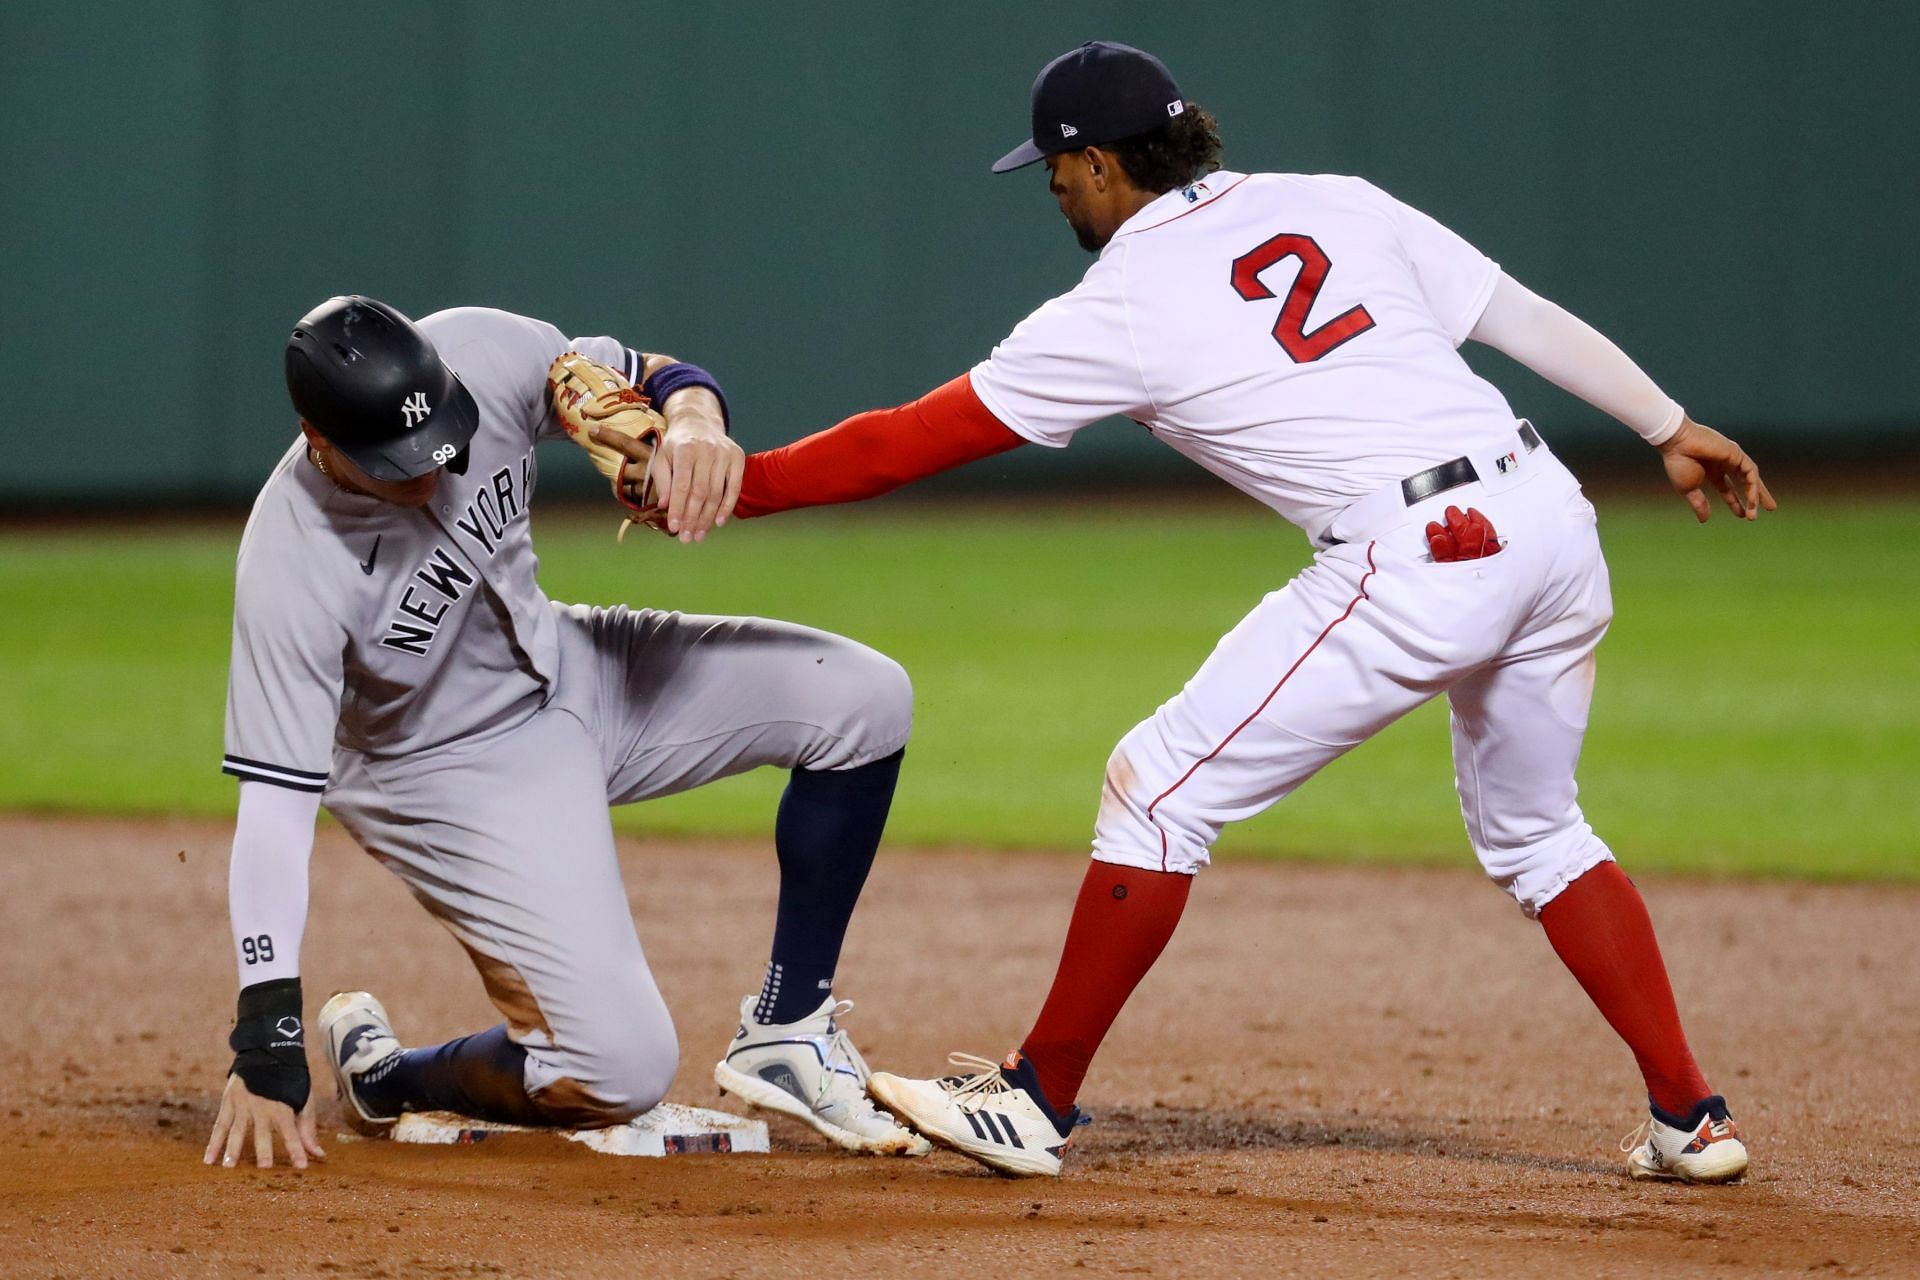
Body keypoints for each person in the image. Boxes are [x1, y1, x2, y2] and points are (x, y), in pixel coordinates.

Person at [712, 42, 1774, 1181]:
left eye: (1057, 167)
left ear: (1105, 163)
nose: (1053, 188)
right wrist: (1666, 423)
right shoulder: (1333, 201)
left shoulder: (1121, 299)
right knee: (1538, 828)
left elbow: (910, 437)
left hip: (1420, 552)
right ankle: (1690, 1117)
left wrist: (745, 481)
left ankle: (1034, 1099)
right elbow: (1518, 316)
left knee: (1157, 784)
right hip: (1551, 521)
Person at [202, 295, 929, 1169]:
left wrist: (693, 422)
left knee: (865, 698)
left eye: (442, 439)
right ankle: (389, 1078)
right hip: (444, 770)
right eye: (398, 465)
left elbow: (655, 374)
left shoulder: (483, 347)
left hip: (580, 661)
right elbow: (275, 815)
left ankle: (787, 1030)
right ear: (318, 440)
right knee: (620, 1069)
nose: (429, 472)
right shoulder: (291, 565)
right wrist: (265, 1037)